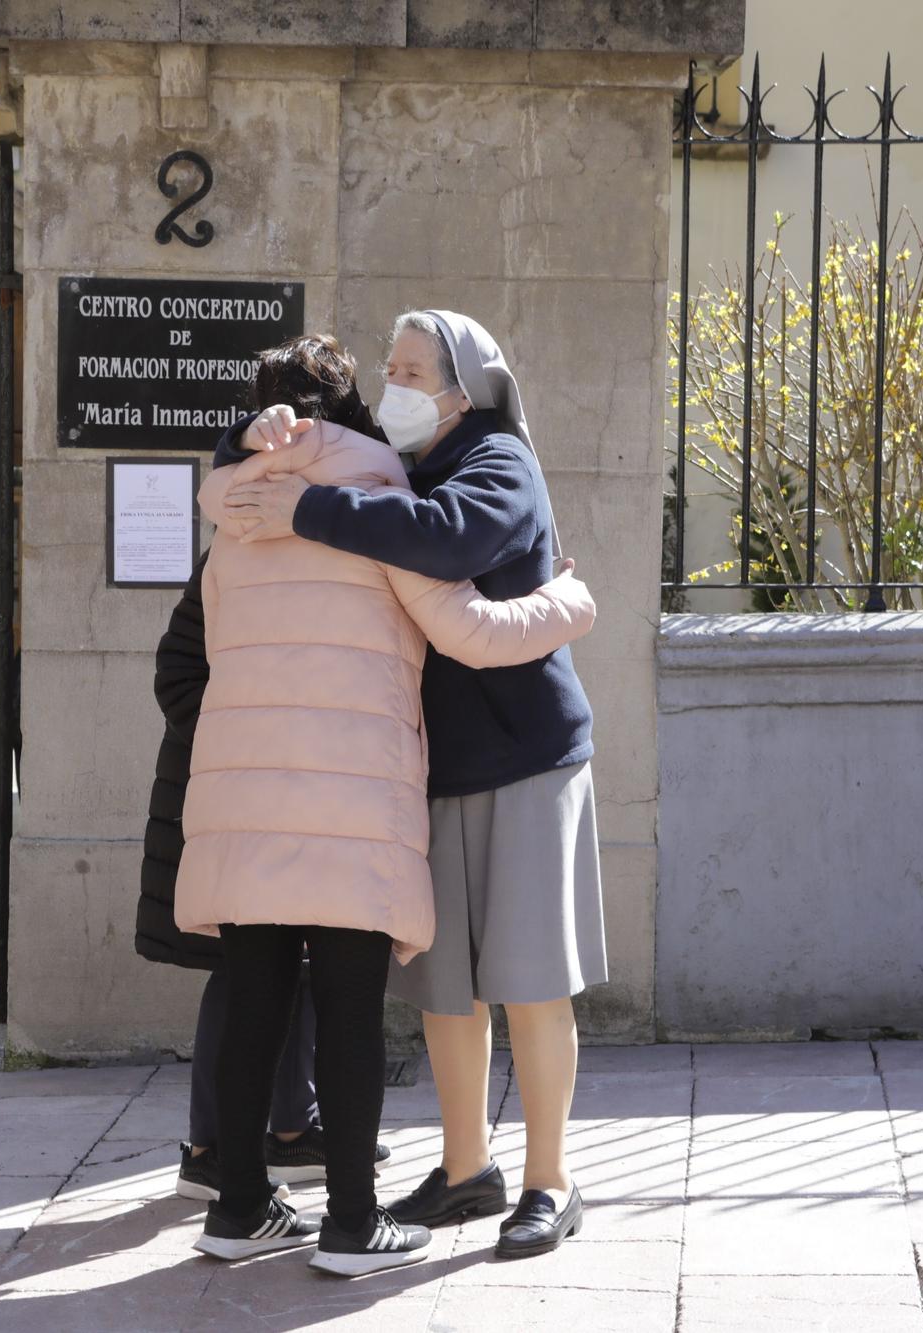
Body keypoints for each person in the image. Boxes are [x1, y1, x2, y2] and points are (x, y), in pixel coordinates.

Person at [177, 333, 598, 1277]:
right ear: (354, 405)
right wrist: (572, 602)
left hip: (241, 791)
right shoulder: (378, 499)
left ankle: (238, 1207)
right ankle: (352, 1224)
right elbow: (469, 631)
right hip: (351, 793)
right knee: (349, 1005)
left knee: (254, 1002)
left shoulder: (232, 513)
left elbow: (204, 643)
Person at [137, 554, 393, 1202]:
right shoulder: (241, 543)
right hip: (237, 790)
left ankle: (284, 1131)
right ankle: (213, 1148)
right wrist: (247, 741)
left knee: (292, 964)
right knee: (244, 969)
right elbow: (178, 671)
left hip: (276, 789)